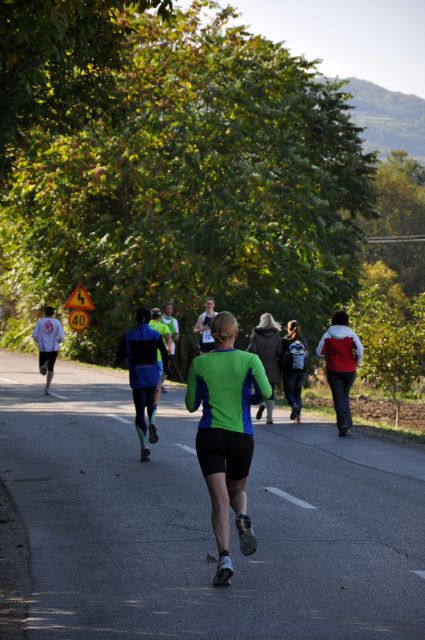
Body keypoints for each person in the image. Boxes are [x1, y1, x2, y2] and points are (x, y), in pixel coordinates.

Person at [185, 311, 272, 587]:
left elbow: (191, 404)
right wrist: (250, 395)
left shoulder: (200, 363)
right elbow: (266, 393)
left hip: (210, 437)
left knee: (219, 500)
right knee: (237, 491)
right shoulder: (250, 360)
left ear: (211, 333)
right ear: (235, 333)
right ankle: (243, 516)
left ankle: (225, 558)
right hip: (241, 438)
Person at [117, 307, 169, 462]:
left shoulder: (128, 336)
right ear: (150, 318)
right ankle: (152, 421)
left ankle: (144, 445)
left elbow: (119, 357)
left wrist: (125, 358)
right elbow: (165, 353)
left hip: (137, 376)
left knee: (139, 411)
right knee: (152, 404)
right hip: (152, 375)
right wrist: (166, 370)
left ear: (136, 319)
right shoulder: (155, 334)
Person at [316, 309, 364, 437]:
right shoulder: (351, 334)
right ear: (346, 320)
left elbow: (319, 352)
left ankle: (343, 424)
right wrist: (357, 362)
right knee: (345, 396)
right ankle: (348, 424)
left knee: (338, 397)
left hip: (334, 370)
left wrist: (329, 353)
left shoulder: (328, 335)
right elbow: (360, 350)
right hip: (350, 370)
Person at [246, 313, 283, 424]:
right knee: (270, 391)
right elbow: (279, 352)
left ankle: (261, 404)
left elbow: (253, 350)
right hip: (272, 366)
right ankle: (269, 418)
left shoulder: (256, 334)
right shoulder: (276, 335)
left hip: (259, 365)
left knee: (258, 389)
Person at [32, 306, 64, 396]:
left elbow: (34, 335)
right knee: (51, 368)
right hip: (54, 349)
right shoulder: (57, 323)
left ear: (45, 312)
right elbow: (61, 337)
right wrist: (58, 342)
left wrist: (39, 342)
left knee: (42, 372)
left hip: (43, 349)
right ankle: (47, 387)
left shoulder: (40, 322)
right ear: (53, 313)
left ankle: (44, 365)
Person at [281, 320, 308, 423]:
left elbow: (280, 354)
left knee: (288, 392)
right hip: (301, 370)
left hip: (289, 371)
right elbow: (306, 356)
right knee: (297, 394)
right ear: (299, 328)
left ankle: (293, 405)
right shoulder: (303, 340)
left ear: (288, 328)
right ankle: (298, 417)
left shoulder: (285, 340)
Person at [149, 308, 172, 393]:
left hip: (146, 355)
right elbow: (169, 338)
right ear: (160, 317)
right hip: (159, 355)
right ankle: (156, 388)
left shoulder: (146, 325)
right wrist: (169, 349)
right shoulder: (163, 327)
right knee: (158, 374)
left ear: (151, 316)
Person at [161, 301, 180, 382]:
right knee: (159, 364)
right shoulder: (159, 319)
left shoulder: (174, 321)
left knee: (167, 365)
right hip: (160, 345)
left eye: (171, 309)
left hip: (170, 346)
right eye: (167, 308)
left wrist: (175, 337)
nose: (169, 310)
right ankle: (157, 383)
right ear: (164, 309)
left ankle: (161, 383)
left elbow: (177, 334)